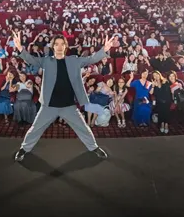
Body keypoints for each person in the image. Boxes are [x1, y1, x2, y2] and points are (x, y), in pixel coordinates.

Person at [13, 31, 113, 162]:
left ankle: (94, 147)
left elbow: (91, 59)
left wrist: (104, 50)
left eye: (62, 44)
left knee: (83, 128)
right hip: (49, 106)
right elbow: (31, 59)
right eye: (57, 44)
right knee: (35, 129)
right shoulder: (46, 61)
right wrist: (20, 48)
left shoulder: (73, 61)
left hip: (69, 106)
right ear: (53, 46)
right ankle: (24, 149)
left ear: (65, 47)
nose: (59, 47)